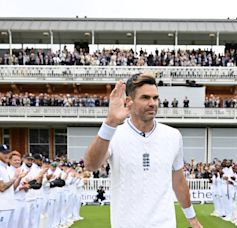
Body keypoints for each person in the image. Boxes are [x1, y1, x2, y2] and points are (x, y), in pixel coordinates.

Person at [85, 74, 202, 228]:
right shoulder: (114, 134)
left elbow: (178, 181)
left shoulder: (173, 136)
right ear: (129, 102)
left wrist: (192, 218)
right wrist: (110, 122)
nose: (152, 103)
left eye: (155, 98)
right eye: (145, 98)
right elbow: (91, 165)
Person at [0, 144, 24, 228]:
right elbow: (2, 187)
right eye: (3, 153)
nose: (6, 155)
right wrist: (14, 178)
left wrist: (18, 178)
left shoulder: (6, 168)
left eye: (7, 152)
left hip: (10, 205)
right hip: (2, 207)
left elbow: (12, 189)